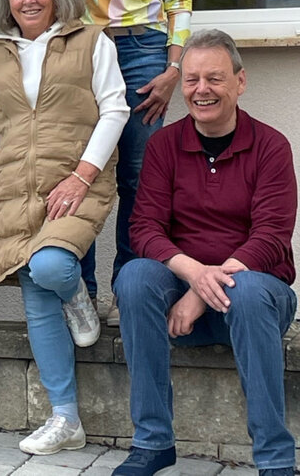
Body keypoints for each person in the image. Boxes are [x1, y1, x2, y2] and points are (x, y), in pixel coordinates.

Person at [112, 30, 296, 476]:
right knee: (135, 278)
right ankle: (153, 443)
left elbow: (272, 236)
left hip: (256, 306)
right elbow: (144, 228)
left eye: (214, 78)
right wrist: (193, 276)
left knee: (249, 290)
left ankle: (275, 459)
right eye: (191, 79)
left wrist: (202, 289)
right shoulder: (163, 145)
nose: (201, 90)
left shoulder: (271, 146)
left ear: (240, 81)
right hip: (178, 308)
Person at [0, 0, 128, 455]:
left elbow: (115, 108)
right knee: (37, 303)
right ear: (7, 3)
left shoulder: (90, 42)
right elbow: (0, 128)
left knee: (53, 266)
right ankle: (65, 419)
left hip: (75, 181)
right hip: (19, 187)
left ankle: (81, 300)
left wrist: (83, 176)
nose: (28, 0)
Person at [44, 0, 192, 325]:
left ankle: (127, 288)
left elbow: (180, 1)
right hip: (83, 49)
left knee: (138, 174)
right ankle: (77, 290)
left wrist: (175, 68)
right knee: (78, 169)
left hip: (146, 53)